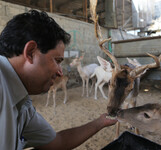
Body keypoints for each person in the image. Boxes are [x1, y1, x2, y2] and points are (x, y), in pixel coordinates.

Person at [0, 10, 117, 150]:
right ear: (31, 52)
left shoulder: (23, 105)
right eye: (57, 60)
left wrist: (100, 122)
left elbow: (57, 142)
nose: (60, 71)